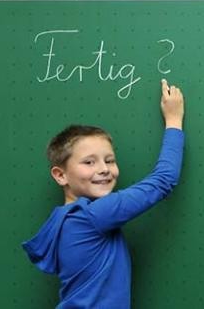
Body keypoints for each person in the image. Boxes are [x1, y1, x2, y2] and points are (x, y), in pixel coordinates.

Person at [22, 79, 185, 308]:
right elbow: (163, 181)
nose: (104, 169)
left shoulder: (63, 220)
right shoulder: (93, 215)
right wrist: (174, 120)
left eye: (109, 160)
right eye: (89, 162)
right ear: (61, 175)